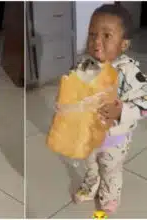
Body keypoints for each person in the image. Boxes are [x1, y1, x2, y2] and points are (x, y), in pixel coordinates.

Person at [73, 4, 147, 214]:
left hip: (114, 139)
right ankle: (91, 185)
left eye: (106, 36)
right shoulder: (83, 65)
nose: (96, 41)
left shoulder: (130, 72)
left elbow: (145, 102)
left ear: (124, 44)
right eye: (92, 34)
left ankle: (109, 195)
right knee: (89, 164)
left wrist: (122, 110)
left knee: (111, 170)